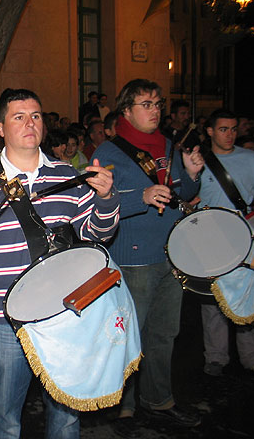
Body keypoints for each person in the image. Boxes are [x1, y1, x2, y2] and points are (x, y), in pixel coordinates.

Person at [0, 88, 119, 439]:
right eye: (18, 117)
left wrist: (107, 198)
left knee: (66, 414)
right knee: (4, 418)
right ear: (0, 128)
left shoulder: (67, 175)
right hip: (4, 318)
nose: (29, 123)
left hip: (63, 312)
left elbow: (97, 234)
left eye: (35, 115)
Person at [92, 79, 203, 437]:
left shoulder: (168, 146)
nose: (154, 110)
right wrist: (140, 196)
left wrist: (192, 176)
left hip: (171, 253)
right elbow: (96, 206)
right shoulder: (108, 153)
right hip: (133, 257)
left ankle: (160, 401)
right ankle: (122, 406)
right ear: (126, 111)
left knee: (164, 334)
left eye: (157, 103)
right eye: (145, 104)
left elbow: (179, 195)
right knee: (129, 336)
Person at [198, 109, 254, 380]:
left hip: (247, 234)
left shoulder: (251, 158)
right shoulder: (200, 162)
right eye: (223, 129)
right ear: (210, 131)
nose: (229, 134)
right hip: (210, 238)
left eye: (233, 129)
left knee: (248, 293)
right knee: (213, 298)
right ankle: (215, 356)